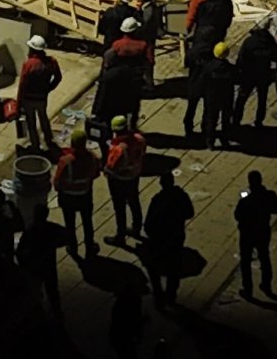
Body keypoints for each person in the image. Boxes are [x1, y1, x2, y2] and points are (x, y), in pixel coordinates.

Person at [142, 171, 195, 305]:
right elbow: (190, 213)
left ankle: (158, 294)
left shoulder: (158, 199)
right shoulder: (181, 196)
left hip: (160, 239)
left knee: (154, 267)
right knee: (173, 268)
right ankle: (171, 295)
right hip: (176, 236)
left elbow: (149, 223)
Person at [53, 130, 102, 258]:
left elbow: (57, 182)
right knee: (87, 222)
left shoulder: (66, 161)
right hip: (85, 196)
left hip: (68, 198)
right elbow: (96, 174)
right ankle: (89, 246)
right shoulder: (92, 158)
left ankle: (72, 247)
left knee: (70, 224)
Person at [235, 170, 277, 299]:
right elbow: (275, 209)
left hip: (247, 233)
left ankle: (248, 289)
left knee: (245, 261)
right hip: (263, 231)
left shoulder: (246, 199)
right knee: (265, 258)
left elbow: (237, 215)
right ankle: (266, 285)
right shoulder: (269, 195)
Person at [105, 114, 148, 246]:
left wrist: (106, 171)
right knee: (134, 202)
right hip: (134, 177)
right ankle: (136, 228)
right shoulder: (139, 139)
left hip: (119, 181)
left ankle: (120, 235)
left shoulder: (118, 149)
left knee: (120, 208)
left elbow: (110, 167)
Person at [17, 34, 62, 149]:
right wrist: (49, 88)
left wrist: (19, 103)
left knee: (31, 122)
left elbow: (22, 85)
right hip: (42, 98)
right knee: (43, 118)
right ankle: (49, 139)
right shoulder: (52, 62)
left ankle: (35, 145)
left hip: (28, 99)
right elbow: (58, 77)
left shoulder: (28, 65)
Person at [186, 40, 234, 145]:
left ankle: (210, 141)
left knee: (212, 119)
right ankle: (225, 139)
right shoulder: (230, 68)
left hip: (212, 97)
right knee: (225, 120)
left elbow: (204, 80)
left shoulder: (209, 67)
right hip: (226, 98)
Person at [234, 18, 277, 128]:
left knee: (241, 99)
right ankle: (259, 121)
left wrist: (238, 72)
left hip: (248, 75)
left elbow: (241, 59)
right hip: (264, 74)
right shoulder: (270, 41)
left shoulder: (249, 41)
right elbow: (276, 55)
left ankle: (235, 121)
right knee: (262, 99)